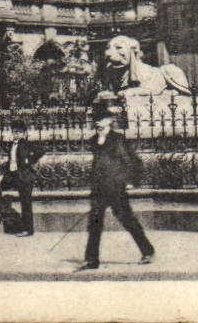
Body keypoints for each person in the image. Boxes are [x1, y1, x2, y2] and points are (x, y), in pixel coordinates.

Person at [76, 92, 153, 270]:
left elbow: (132, 161)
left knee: (127, 220)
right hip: (99, 190)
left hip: (116, 188)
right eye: (96, 119)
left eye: (102, 119)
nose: (98, 122)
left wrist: (131, 181)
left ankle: (147, 250)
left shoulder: (117, 139)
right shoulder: (94, 141)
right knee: (94, 223)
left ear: (110, 120)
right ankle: (92, 259)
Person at [0, 123, 38, 235]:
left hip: (24, 177)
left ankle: (28, 230)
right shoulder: (12, 145)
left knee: (26, 203)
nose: (16, 134)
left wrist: (29, 160)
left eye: (19, 132)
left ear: (24, 134)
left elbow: (41, 150)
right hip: (12, 175)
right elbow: (10, 161)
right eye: (15, 132)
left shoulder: (26, 144)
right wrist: (2, 176)